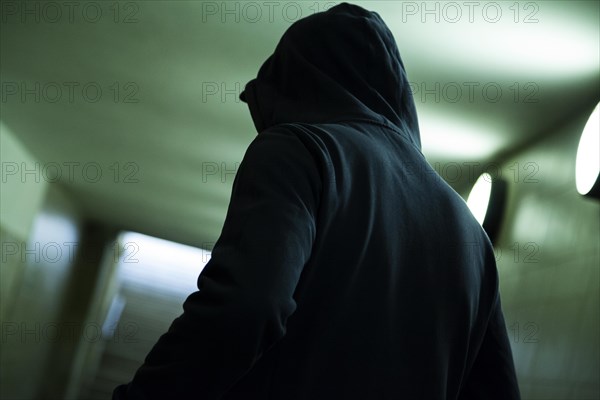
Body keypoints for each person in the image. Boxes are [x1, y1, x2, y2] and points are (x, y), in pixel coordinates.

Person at [113, 3, 521, 399]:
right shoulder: (473, 237)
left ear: (295, 84)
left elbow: (246, 308)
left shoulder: (300, 148)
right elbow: (495, 389)